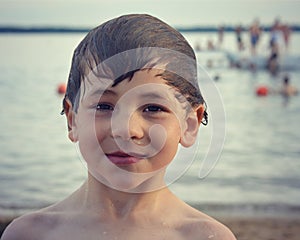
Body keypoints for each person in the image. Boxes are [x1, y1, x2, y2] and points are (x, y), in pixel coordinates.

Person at [1, 14, 236, 240]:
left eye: (153, 108)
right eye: (104, 106)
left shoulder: (206, 237)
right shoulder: (29, 234)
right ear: (72, 120)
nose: (126, 130)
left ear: (190, 124)